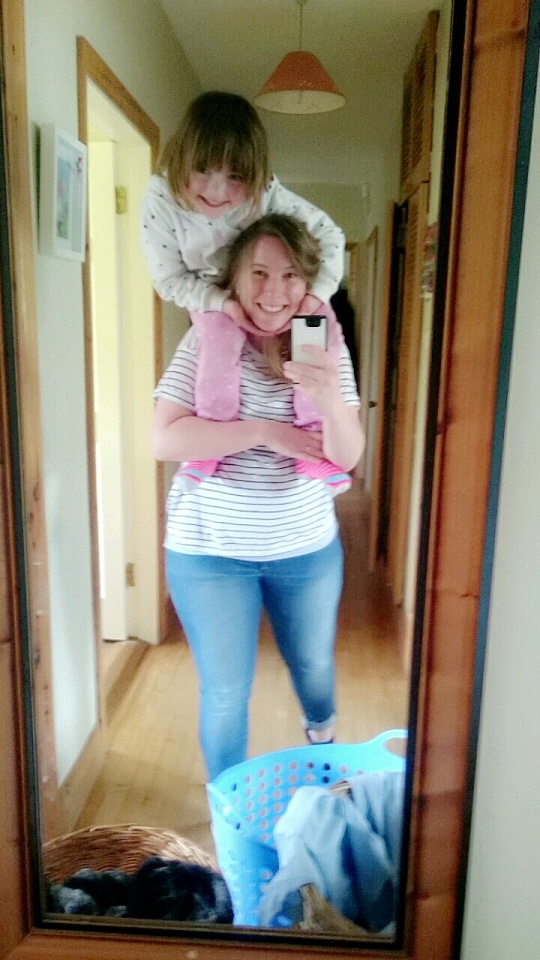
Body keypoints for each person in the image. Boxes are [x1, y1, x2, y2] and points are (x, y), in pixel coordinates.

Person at [152, 214, 365, 782]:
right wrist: (266, 432)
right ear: (235, 279)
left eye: (290, 275)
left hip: (305, 548)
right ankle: (230, 815)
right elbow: (165, 440)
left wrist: (331, 399)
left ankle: (325, 757)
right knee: (225, 692)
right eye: (260, 273)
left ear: (310, 282)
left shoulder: (323, 345)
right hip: (209, 553)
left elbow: (346, 455)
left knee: (314, 668)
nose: (274, 292)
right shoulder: (206, 339)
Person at [141, 90, 349, 494]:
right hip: (211, 295)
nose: (217, 191)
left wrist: (314, 298)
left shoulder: (266, 193)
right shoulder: (161, 199)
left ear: (254, 178)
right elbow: (169, 280)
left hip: (289, 295)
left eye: (235, 177)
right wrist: (223, 304)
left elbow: (331, 236)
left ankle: (313, 447)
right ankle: (207, 451)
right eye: (203, 170)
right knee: (217, 353)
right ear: (180, 160)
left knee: (314, 340)